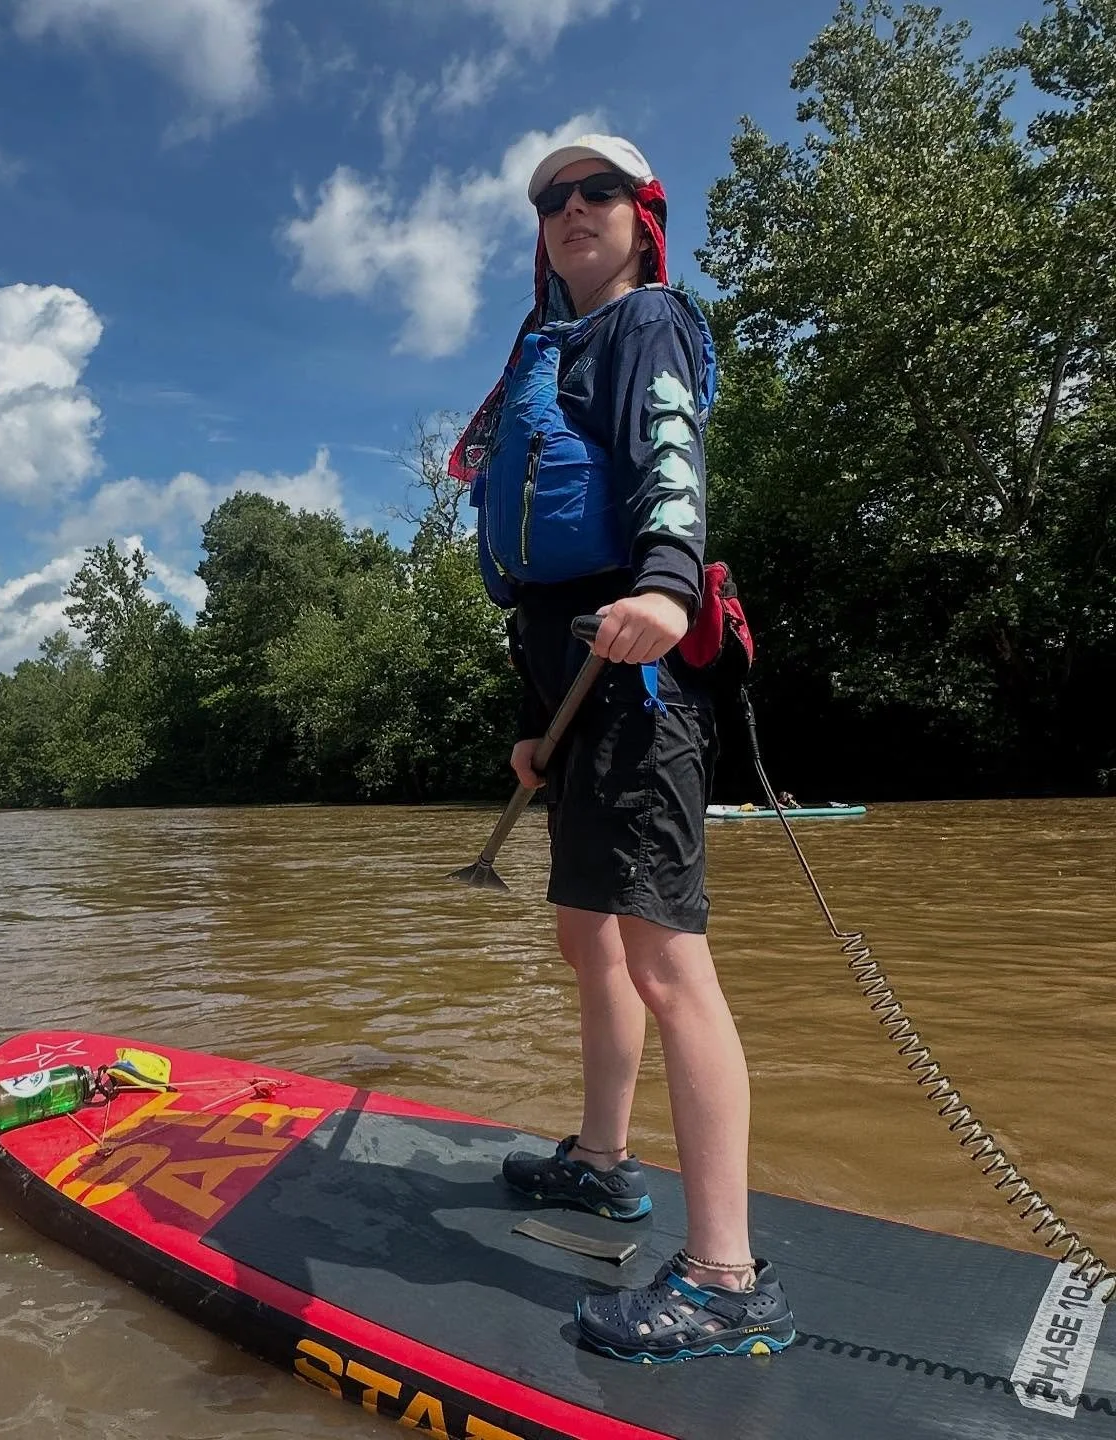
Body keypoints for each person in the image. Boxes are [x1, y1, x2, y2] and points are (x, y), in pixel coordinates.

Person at [452, 135, 795, 1362]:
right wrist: (531, 726)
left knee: (666, 963)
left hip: (642, 682)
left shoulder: (648, 324)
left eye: (597, 191)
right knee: (584, 935)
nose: (570, 209)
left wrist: (664, 584)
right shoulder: (554, 347)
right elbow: (540, 573)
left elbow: (669, 458)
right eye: (551, 199)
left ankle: (723, 1277)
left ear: (643, 219)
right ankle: (602, 1163)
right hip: (572, 687)